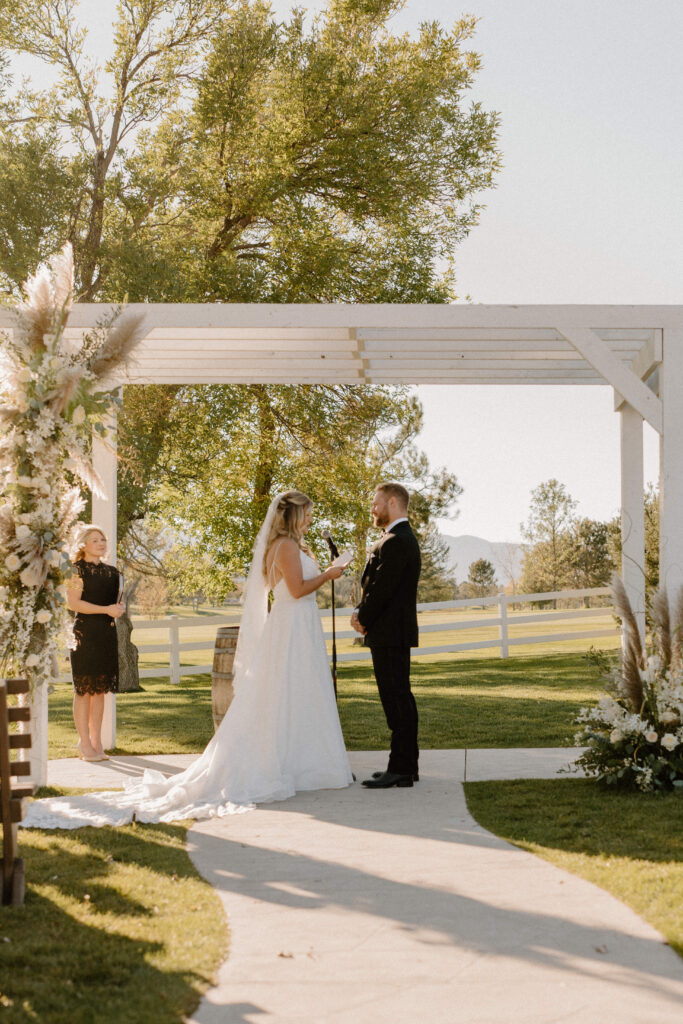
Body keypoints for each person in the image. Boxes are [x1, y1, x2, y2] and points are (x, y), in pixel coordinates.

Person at [21, 491, 353, 828]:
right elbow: (296, 590)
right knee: (287, 690)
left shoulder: (287, 545)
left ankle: (300, 759)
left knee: (294, 692)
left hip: (296, 625)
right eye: (307, 513)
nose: (311, 519)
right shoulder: (285, 546)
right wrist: (330, 574)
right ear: (294, 515)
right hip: (293, 624)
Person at [351, 482, 421, 789]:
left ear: (392, 502)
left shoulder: (397, 540)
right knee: (398, 698)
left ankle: (401, 768)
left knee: (396, 699)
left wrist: (361, 618)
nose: (373, 508)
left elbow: (383, 590)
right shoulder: (396, 538)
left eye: (377, 503)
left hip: (390, 632)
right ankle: (406, 766)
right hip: (390, 631)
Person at [67, 526, 125, 762]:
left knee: (100, 690)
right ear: (83, 545)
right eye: (95, 540)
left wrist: (119, 610)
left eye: (103, 539)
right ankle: (84, 743)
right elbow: (74, 604)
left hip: (105, 635)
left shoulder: (113, 573)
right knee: (84, 691)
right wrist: (106, 610)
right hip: (84, 635)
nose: (101, 543)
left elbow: (117, 603)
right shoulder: (75, 572)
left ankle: (96, 741)